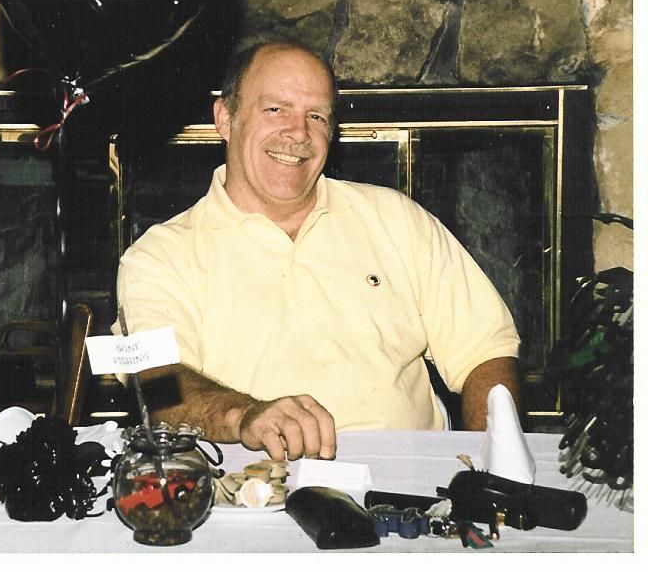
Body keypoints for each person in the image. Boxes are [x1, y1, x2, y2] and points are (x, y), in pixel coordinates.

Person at [113, 40, 521, 461]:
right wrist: (245, 416)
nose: (298, 133)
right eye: (276, 109)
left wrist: (493, 468)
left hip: (407, 479)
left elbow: (486, 352)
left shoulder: (396, 219)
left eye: (316, 116)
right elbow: (155, 382)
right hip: (253, 482)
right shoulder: (160, 255)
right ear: (225, 118)